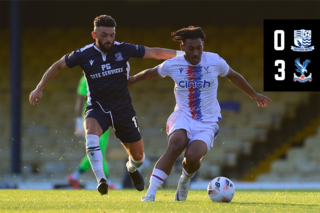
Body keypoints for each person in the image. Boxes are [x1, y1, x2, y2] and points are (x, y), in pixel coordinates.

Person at [29, 14, 183, 195]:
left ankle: (132, 168)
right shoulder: (83, 54)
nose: (109, 39)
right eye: (104, 35)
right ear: (94, 35)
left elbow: (155, 53)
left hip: (123, 110)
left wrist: (182, 54)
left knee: (139, 158)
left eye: (112, 35)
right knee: (91, 134)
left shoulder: (124, 49)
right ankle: (101, 179)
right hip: (97, 108)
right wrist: (39, 88)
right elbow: (58, 65)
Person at [128, 26, 272, 201]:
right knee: (175, 146)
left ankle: (185, 180)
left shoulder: (214, 61)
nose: (196, 52)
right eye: (191, 48)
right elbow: (151, 72)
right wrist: (132, 80)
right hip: (183, 115)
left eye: (199, 48)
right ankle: (151, 193)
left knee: (192, 157)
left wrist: (254, 94)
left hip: (207, 122)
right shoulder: (173, 63)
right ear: (182, 48)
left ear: (203, 45)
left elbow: (233, 76)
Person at [67, 76, 114, 189]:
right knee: (98, 149)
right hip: (90, 119)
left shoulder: (107, 77)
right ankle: (106, 180)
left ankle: (74, 176)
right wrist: (78, 123)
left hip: (105, 118)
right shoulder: (85, 78)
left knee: (98, 151)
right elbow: (79, 101)